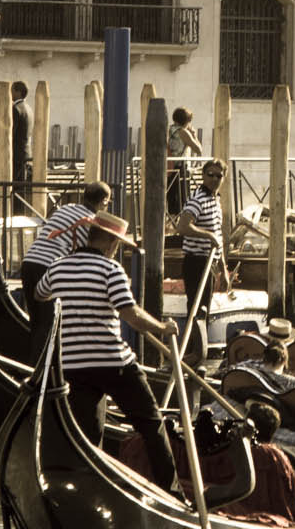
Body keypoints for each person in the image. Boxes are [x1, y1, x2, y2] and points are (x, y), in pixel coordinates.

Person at [35, 211, 180, 492]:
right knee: (152, 425)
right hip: (114, 364)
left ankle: (91, 489)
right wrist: (163, 327)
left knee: (88, 436)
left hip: (73, 367)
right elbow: (131, 315)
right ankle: (173, 491)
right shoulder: (111, 270)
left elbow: (41, 294)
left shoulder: (57, 267)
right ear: (112, 243)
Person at [19, 181, 112, 342]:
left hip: (29, 263)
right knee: (49, 325)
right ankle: (44, 365)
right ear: (104, 200)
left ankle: (36, 364)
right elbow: (92, 256)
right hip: (50, 268)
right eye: (108, 202)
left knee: (36, 323)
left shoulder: (65, 208)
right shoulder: (93, 224)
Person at [173, 158, 228, 353]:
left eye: (218, 176)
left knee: (204, 308)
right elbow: (182, 227)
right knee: (197, 309)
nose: (214, 179)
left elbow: (218, 237)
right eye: (210, 175)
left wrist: (224, 270)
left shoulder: (215, 199)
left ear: (224, 178)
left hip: (209, 261)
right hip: (196, 261)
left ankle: (198, 351)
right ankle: (192, 352)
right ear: (203, 176)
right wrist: (207, 235)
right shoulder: (198, 199)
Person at [167, 107, 204, 212]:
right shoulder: (183, 132)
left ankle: (171, 223)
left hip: (169, 168)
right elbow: (198, 149)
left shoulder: (169, 129)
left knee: (172, 200)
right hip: (180, 168)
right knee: (181, 200)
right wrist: (194, 135)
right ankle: (177, 224)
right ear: (187, 121)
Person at [9, 81, 33, 205]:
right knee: (20, 189)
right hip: (25, 153)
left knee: (14, 188)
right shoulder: (28, 108)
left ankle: (14, 215)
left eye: (12, 90)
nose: (10, 93)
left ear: (18, 92)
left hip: (16, 155)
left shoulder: (15, 109)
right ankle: (19, 215)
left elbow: (11, 133)